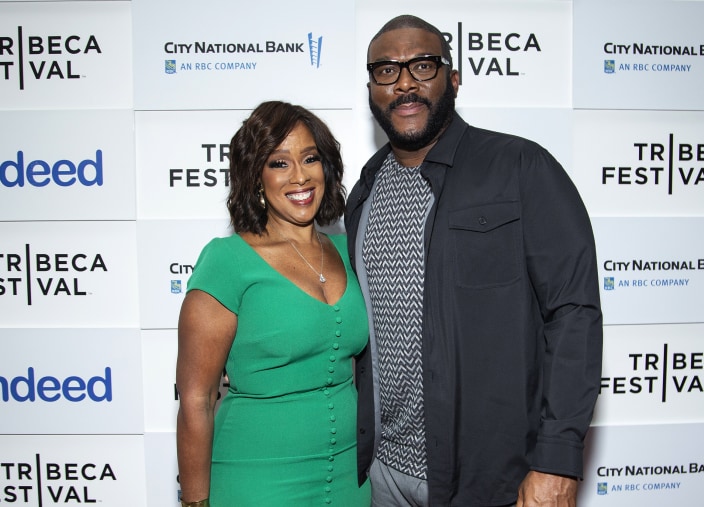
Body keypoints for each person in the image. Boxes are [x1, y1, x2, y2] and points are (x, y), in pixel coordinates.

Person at [345, 14, 603, 507]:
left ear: (454, 79)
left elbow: (574, 315)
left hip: (495, 481)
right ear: (371, 89)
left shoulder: (521, 168)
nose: (403, 83)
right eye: (385, 71)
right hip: (383, 478)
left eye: (422, 66)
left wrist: (556, 461)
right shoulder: (364, 192)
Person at [176, 101, 371, 506]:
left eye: (310, 158)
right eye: (279, 163)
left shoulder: (348, 250)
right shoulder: (226, 261)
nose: (299, 176)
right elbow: (196, 398)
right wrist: (194, 503)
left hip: (351, 480)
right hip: (259, 479)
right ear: (255, 176)